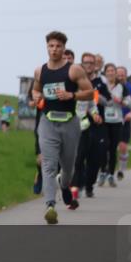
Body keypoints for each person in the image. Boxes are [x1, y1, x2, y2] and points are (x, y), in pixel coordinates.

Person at [32, 31, 93, 224]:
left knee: (68, 166)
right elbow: (35, 89)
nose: (54, 49)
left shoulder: (73, 70)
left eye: (58, 46)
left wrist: (71, 95)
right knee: (48, 165)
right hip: (47, 122)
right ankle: (50, 205)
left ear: (64, 48)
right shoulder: (40, 71)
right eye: (51, 46)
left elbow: (90, 92)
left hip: (69, 123)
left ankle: (64, 185)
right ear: (47, 47)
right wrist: (35, 97)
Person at [71, 52, 104, 201]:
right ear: (82, 64)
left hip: (89, 125)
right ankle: (73, 185)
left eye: (92, 63)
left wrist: (95, 113)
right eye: (86, 62)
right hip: (71, 123)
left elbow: (94, 103)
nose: (89, 65)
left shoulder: (98, 83)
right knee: (75, 158)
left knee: (90, 157)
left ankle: (83, 186)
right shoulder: (73, 80)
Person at [98, 63, 125, 188]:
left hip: (116, 121)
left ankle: (111, 175)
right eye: (108, 71)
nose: (110, 73)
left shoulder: (122, 87)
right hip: (104, 120)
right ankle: (103, 171)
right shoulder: (102, 86)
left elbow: (129, 102)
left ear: (115, 73)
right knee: (103, 147)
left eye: (112, 70)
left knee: (113, 149)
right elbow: (96, 99)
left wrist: (122, 101)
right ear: (105, 73)